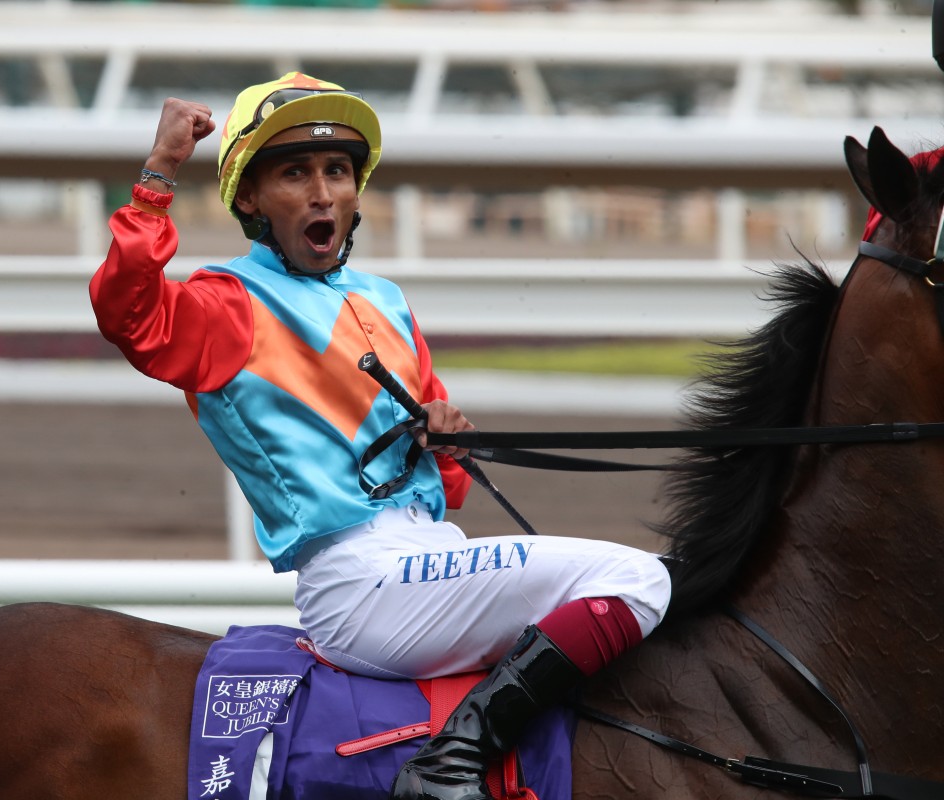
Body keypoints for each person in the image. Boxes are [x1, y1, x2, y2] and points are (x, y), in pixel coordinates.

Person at [90, 72, 672, 800]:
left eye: (337, 171)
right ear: (250, 199)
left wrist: (445, 438)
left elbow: (445, 488)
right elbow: (128, 314)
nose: (322, 193)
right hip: (359, 583)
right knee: (642, 579)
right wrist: (159, 173)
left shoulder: (386, 301)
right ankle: (450, 762)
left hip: (428, 556)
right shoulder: (227, 302)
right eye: (295, 174)